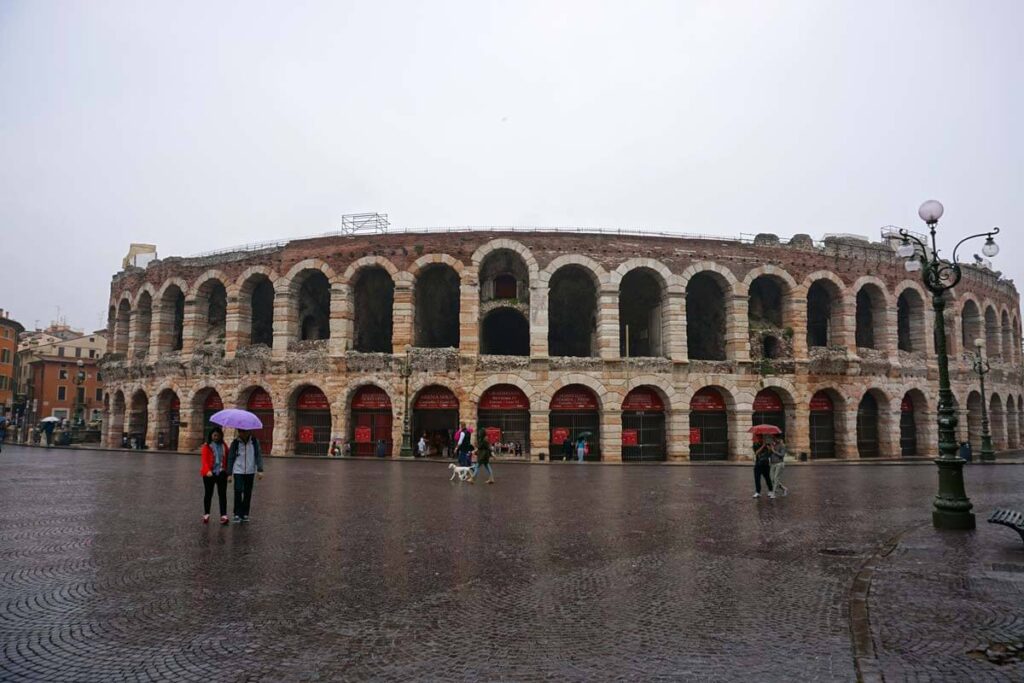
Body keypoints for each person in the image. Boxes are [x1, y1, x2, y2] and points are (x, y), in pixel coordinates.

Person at [227, 429, 264, 523]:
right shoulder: (235, 443)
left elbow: (258, 455)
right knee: (238, 491)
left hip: (250, 471)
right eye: (240, 432)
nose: (241, 433)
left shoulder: (254, 442)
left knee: (247, 493)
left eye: (243, 432)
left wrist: (260, 469)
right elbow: (231, 457)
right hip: (238, 471)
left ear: (248, 432)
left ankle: (245, 513)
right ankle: (237, 514)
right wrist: (229, 473)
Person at [200, 427, 230, 525]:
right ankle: (206, 514)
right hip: (209, 474)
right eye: (214, 435)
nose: (216, 437)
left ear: (221, 435)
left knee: (222, 495)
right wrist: (208, 470)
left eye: (217, 435)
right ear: (211, 436)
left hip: (221, 473)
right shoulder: (207, 446)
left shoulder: (224, 445)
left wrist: (228, 473)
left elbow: (228, 458)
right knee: (208, 494)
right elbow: (204, 461)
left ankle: (223, 515)